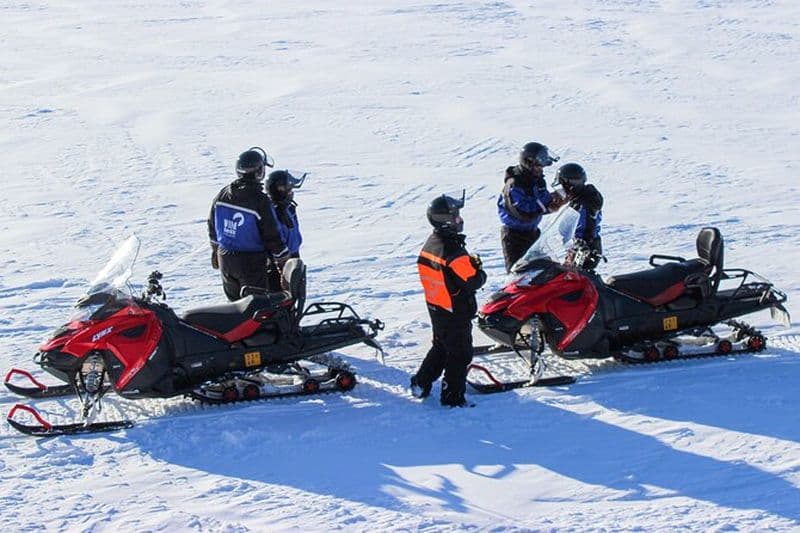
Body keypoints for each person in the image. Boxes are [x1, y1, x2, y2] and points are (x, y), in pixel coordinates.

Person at [411, 192, 487, 408]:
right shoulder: (454, 251)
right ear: (445, 222)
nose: (459, 220)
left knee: (442, 347)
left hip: (437, 307)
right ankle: (452, 398)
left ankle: (421, 382)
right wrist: (478, 268)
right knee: (460, 354)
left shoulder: (433, 242)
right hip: (455, 311)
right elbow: (473, 280)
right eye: (455, 217)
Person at [208, 147, 289, 301]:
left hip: (225, 259)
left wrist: (214, 249)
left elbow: (212, 224)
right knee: (256, 308)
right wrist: (283, 263)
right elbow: (272, 235)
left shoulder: (223, 194)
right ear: (259, 171)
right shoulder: (260, 200)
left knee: (235, 308)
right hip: (250, 263)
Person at [497, 142, 566, 272]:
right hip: (514, 237)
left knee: (546, 271)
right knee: (519, 275)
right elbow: (522, 211)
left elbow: (542, 200)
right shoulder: (515, 184)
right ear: (529, 163)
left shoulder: (537, 180)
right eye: (539, 166)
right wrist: (547, 207)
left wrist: (556, 198)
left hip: (533, 232)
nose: (541, 169)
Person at [556, 162, 604, 272]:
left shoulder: (585, 203)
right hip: (577, 247)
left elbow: (587, 226)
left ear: (570, 185)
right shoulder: (579, 199)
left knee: (572, 280)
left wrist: (582, 244)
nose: (561, 190)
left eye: (562, 186)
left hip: (585, 250)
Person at [265, 169, 306, 289]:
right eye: (290, 190)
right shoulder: (271, 213)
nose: (292, 193)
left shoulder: (288, 209)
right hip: (280, 264)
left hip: (293, 259)